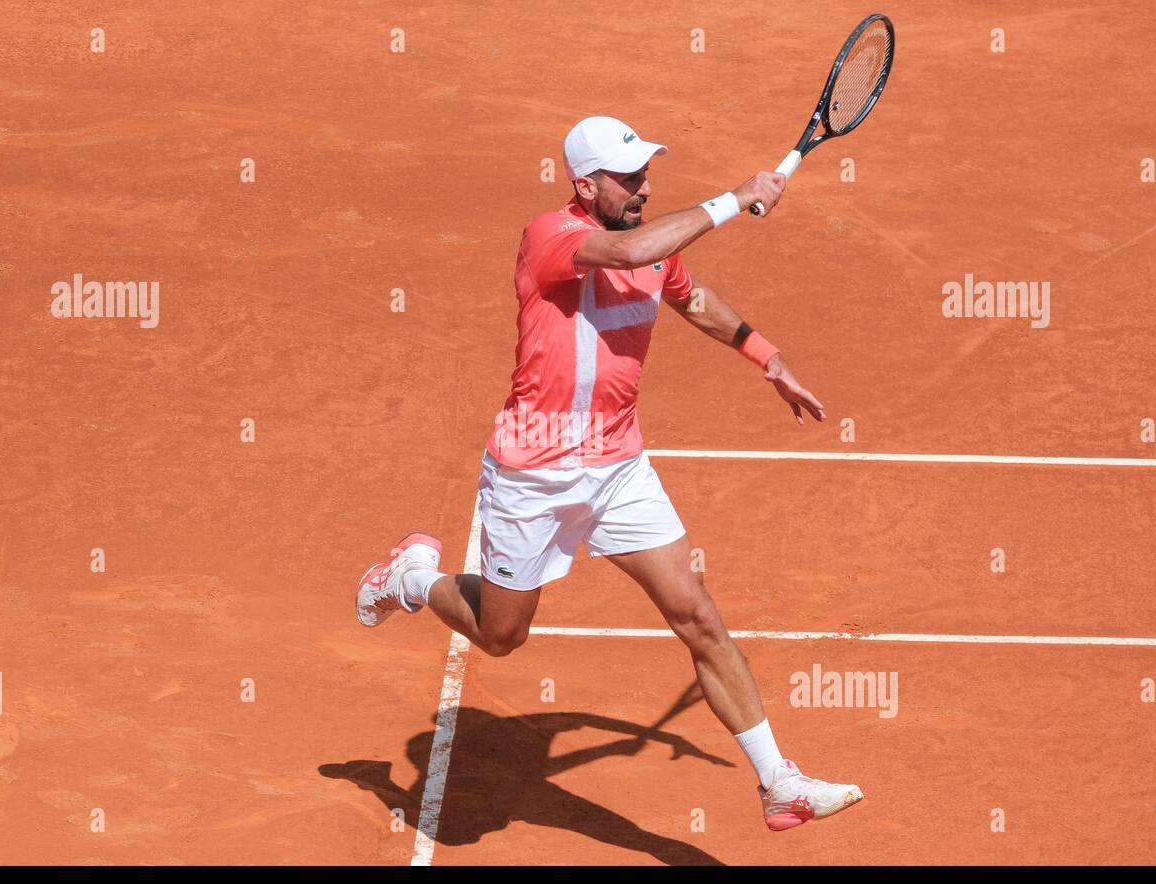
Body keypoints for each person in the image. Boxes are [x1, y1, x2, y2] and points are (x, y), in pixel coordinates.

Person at [357, 116, 862, 832]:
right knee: (502, 636)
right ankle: (411, 577)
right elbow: (629, 248)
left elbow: (690, 297)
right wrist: (733, 198)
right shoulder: (550, 238)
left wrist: (767, 357)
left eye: (645, 175)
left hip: (619, 469)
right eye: (627, 179)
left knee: (699, 616)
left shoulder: (654, 246)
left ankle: (779, 783)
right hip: (533, 473)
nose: (642, 187)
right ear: (584, 185)